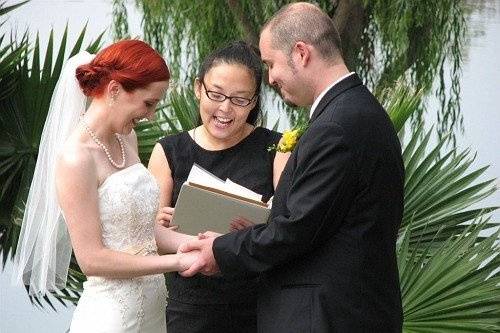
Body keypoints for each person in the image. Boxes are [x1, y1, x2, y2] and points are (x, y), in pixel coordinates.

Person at [179, 3, 405, 332]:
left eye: (271, 64)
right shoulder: (356, 111)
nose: (270, 78)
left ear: (300, 53)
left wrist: (221, 249)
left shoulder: (336, 127)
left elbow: (296, 230)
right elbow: (325, 221)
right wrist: (257, 227)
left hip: (326, 317)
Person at [12, 40, 198, 333]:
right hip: (111, 318)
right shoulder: (76, 158)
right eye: (148, 103)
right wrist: (176, 261)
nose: (150, 115)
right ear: (114, 90)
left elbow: (142, 230)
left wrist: (199, 246)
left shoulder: (128, 139)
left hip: (153, 309)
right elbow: (92, 260)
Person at [148, 41, 290, 332]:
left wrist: (252, 231)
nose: (225, 109)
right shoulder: (169, 151)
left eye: (240, 100)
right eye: (216, 94)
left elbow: (290, 226)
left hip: (259, 306)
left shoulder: (277, 149)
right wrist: (163, 226)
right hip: (191, 308)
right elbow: (152, 239)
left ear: (253, 102)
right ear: (198, 88)